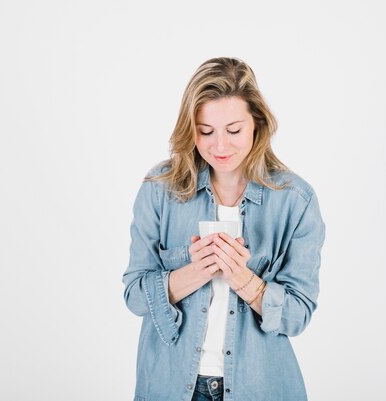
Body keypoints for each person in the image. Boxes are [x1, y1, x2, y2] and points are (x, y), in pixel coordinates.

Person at [123, 57, 325, 401]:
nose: (220, 146)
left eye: (234, 130)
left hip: (261, 387)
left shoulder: (296, 200)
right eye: (205, 132)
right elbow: (134, 295)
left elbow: (297, 316)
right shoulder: (160, 189)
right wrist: (194, 271)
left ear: (257, 124)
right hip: (170, 385)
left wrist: (243, 280)